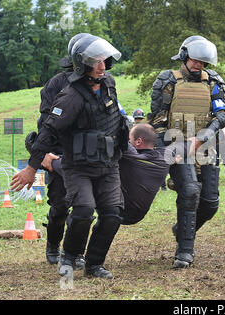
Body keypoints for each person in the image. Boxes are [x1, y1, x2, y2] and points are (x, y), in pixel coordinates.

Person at [11, 34, 128, 280]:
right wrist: (32, 167)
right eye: (96, 62)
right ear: (82, 63)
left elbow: (115, 122)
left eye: (104, 61)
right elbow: (48, 129)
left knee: (112, 215)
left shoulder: (109, 83)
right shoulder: (70, 95)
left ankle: (94, 265)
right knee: (83, 210)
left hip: (108, 163)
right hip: (78, 165)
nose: (102, 67)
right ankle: (67, 255)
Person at [149, 35, 225, 268]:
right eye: (196, 61)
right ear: (184, 57)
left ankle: (182, 230)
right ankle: (184, 251)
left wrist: (206, 134)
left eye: (203, 63)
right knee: (191, 192)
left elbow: (222, 114)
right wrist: (166, 150)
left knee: (210, 203)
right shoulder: (168, 81)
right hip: (178, 146)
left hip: (206, 147)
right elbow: (158, 119)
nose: (199, 66)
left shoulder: (213, 82)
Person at [25, 33, 91, 268]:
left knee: (85, 206)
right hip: (58, 153)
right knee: (60, 206)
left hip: (88, 154)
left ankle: (77, 253)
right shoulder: (56, 84)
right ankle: (53, 243)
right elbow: (47, 124)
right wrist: (42, 155)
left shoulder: (102, 82)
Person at [46, 123, 170, 226]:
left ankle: (76, 220)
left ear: (138, 141)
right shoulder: (164, 157)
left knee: (89, 172)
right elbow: (184, 147)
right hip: (138, 214)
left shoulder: (129, 154)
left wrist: (53, 160)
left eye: (129, 139)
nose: (127, 141)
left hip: (117, 209)